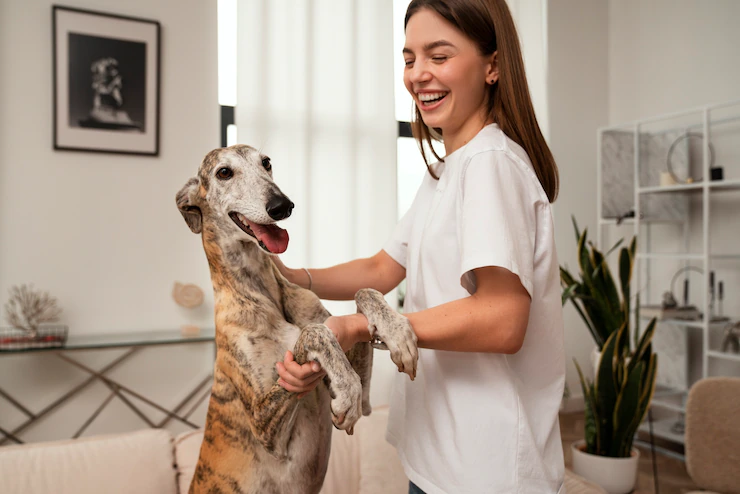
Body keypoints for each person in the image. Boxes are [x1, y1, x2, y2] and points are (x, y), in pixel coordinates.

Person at [274, 0, 565, 492]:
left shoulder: (491, 165)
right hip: (439, 460)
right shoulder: (446, 174)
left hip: (487, 471)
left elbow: (503, 318)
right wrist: (284, 275)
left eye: (439, 55)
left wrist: (361, 327)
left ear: (493, 65)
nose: (418, 75)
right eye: (409, 59)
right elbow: (382, 267)